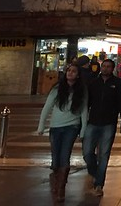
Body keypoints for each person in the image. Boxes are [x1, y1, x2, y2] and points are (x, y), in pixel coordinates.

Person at [37, 63, 88, 203]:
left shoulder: (81, 90)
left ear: (78, 75)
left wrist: (83, 130)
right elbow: (47, 107)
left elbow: (84, 111)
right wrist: (41, 126)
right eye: (68, 71)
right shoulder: (57, 89)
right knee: (55, 158)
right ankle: (56, 177)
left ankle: (61, 188)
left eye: (73, 71)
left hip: (72, 127)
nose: (70, 73)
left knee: (65, 156)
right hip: (55, 127)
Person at [83, 58, 121, 196]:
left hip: (109, 123)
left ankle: (99, 184)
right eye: (104, 66)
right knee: (87, 152)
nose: (106, 69)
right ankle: (94, 171)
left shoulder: (117, 83)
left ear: (113, 69)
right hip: (93, 121)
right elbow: (87, 102)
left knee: (104, 154)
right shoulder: (94, 82)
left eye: (109, 67)